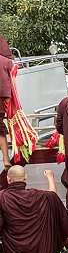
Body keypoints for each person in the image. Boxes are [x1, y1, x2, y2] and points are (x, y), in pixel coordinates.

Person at [0, 36, 15, 168]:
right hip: (3, 97)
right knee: (0, 130)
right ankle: (6, 159)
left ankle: (5, 159)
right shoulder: (6, 61)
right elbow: (14, 72)